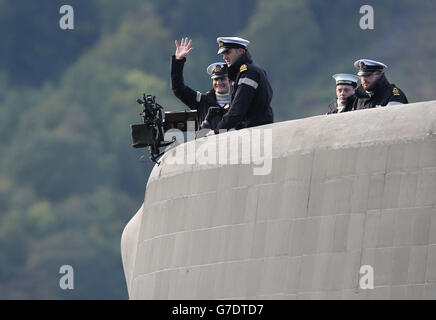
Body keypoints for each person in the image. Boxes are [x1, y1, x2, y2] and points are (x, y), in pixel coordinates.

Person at [212, 36, 273, 134]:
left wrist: (217, 131)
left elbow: (238, 110)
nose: (224, 57)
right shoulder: (241, 73)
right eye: (223, 54)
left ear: (240, 51)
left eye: (228, 52)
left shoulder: (249, 73)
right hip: (254, 129)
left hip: (256, 130)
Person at [170, 37, 231, 131]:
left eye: (222, 79)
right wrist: (178, 60)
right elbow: (178, 89)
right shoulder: (201, 101)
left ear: (230, 80)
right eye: (216, 79)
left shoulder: (238, 100)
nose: (219, 82)